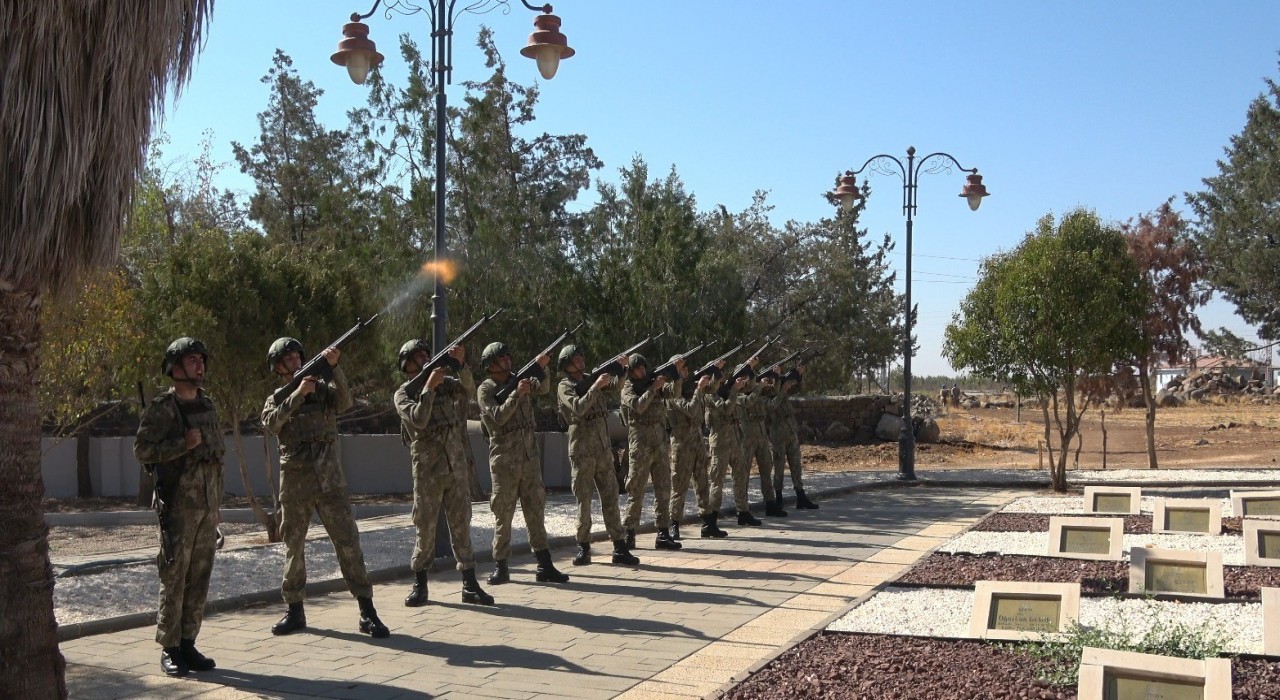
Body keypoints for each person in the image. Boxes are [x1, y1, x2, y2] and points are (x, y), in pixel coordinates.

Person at [261, 337, 388, 639]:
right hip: (296, 483)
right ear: (279, 366)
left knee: (349, 544)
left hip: (330, 480)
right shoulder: (276, 397)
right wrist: (296, 396)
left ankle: (367, 611)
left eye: (297, 356)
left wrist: (334, 368)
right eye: (288, 359)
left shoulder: (323, 391)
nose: (295, 361)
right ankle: (294, 610)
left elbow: (345, 401)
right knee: (294, 547)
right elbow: (270, 423)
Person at [134, 338, 224, 677]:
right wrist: (180, 444)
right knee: (175, 576)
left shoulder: (208, 405)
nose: (199, 365)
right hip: (178, 508)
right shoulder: (163, 407)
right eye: (192, 360)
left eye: (202, 359)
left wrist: (217, 506)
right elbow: (142, 450)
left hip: (206, 506)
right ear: (175, 367)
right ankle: (169, 647)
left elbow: (216, 459)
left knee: (199, 576)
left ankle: (188, 642)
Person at [393, 340, 493, 607]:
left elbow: (469, 390)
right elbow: (418, 419)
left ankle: (470, 585)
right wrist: (428, 388)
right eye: (418, 356)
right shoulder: (403, 394)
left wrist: (460, 365)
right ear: (407, 364)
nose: (425, 358)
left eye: (427, 354)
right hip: (428, 471)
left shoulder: (446, 384)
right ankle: (420, 584)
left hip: (455, 467)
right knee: (424, 527)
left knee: (461, 525)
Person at [476, 342, 570, 585]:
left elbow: (544, 387)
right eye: (502, 358)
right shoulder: (486, 390)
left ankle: (544, 564)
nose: (508, 360)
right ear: (491, 365)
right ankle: (501, 565)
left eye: (508, 356)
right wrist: (517, 393)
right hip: (504, 461)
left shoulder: (519, 379)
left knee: (535, 511)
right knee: (503, 514)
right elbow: (497, 418)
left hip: (529, 459)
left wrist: (543, 367)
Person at [555, 345, 641, 566]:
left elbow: (615, 386)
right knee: (584, 501)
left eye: (582, 355)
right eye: (576, 358)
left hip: (603, 450)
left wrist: (621, 370)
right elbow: (578, 407)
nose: (581, 360)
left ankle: (619, 546)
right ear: (567, 364)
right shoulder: (565, 386)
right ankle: (583, 547)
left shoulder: (591, 379)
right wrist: (595, 386)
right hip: (582, 451)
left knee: (611, 497)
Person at [620, 354, 683, 550]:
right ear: (630, 372)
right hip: (640, 443)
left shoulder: (653, 384)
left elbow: (674, 393)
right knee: (636, 489)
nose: (642, 371)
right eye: (637, 369)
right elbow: (638, 406)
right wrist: (652, 389)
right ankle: (629, 532)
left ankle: (663, 533)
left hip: (660, 442)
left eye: (643, 368)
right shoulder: (627, 388)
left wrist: (677, 375)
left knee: (663, 489)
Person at [667, 359, 724, 540]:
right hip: (681, 444)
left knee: (703, 484)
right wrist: (699, 388)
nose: (685, 371)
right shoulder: (671, 392)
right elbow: (690, 410)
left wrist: (715, 372)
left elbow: (713, 389)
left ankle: (708, 523)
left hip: (697, 442)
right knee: (680, 486)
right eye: (681, 368)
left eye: (686, 367)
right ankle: (673, 525)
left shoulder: (690, 387)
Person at [706, 371, 760, 527]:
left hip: (735, 439)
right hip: (720, 441)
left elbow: (748, 393)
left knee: (740, 476)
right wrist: (734, 390)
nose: (723, 378)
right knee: (717, 481)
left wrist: (750, 371)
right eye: (720, 376)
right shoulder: (710, 393)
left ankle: (743, 512)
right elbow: (726, 409)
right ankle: (711, 519)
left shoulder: (729, 391)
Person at [763, 365, 817, 510]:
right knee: (779, 467)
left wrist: (798, 376)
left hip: (791, 431)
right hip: (778, 434)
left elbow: (798, 389)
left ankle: (801, 496)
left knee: (796, 465)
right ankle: (778, 498)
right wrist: (781, 390)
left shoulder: (781, 388)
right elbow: (771, 406)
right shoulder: (763, 394)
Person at [741, 372, 786, 517]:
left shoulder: (758, 391)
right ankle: (743, 508)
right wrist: (759, 387)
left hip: (761, 433)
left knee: (766, 468)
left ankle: (770, 503)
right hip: (746, 435)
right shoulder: (738, 393)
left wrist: (776, 378)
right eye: (748, 378)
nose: (751, 381)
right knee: (744, 472)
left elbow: (773, 391)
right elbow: (749, 401)